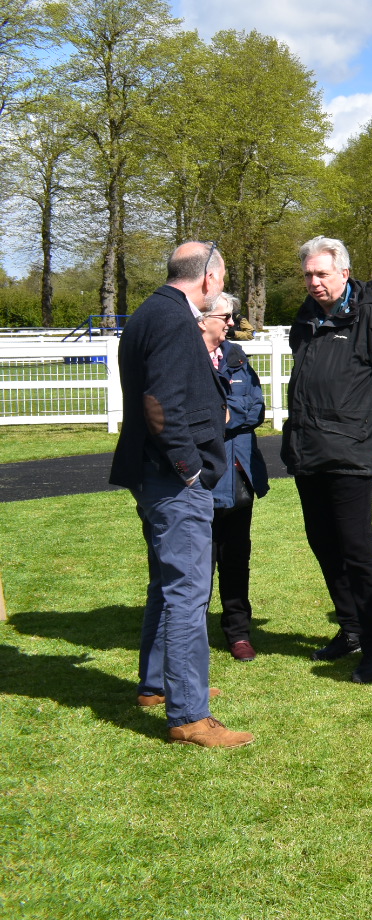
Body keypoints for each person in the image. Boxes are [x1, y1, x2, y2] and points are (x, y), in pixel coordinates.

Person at [110, 241, 253, 747]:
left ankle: (157, 685)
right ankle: (190, 714)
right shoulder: (172, 319)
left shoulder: (151, 312)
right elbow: (160, 404)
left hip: (154, 476)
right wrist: (190, 471)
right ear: (210, 279)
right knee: (187, 594)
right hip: (172, 480)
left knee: (166, 587)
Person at [282, 236, 372, 683]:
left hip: (351, 453)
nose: (314, 282)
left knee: (357, 550)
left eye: (322, 273)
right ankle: (350, 628)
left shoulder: (371, 317)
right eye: (308, 275)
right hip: (308, 451)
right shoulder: (304, 321)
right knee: (323, 544)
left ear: (344, 272)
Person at [199, 292, 270, 662]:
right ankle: (192, 637)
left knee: (235, 558)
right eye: (225, 317)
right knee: (197, 564)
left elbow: (255, 408)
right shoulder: (187, 359)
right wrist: (220, 418)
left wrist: (226, 418)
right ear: (202, 319)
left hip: (238, 475)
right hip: (199, 478)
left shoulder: (237, 359)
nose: (232, 323)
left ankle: (238, 632)